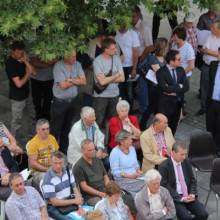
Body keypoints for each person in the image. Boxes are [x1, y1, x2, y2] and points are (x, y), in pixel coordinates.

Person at [159, 143, 209, 220]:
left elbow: (192, 180)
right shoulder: (164, 166)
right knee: (186, 217)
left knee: (204, 214)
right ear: (173, 153)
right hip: (175, 198)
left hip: (188, 195)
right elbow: (164, 186)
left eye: (185, 154)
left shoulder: (186, 162)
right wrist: (180, 198)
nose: (184, 157)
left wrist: (192, 193)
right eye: (181, 154)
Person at [50, 49, 86, 154]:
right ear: (65, 57)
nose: (75, 58)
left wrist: (70, 80)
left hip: (72, 101)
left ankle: (64, 150)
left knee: (67, 127)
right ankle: (53, 151)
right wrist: (76, 80)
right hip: (60, 102)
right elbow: (63, 86)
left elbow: (84, 81)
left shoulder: (77, 64)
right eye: (73, 57)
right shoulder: (58, 66)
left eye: (75, 56)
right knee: (56, 128)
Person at [5, 41, 35, 139]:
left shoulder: (23, 59)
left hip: (27, 94)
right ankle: (15, 139)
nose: (20, 55)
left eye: (22, 52)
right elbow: (19, 84)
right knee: (17, 120)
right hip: (17, 97)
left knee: (31, 115)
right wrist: (27, 73)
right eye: (18, 52)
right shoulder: (10, 64)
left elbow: (34, 72)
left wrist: (26, 61)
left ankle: (31, 135)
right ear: (12, 52)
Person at [92, 38, 125, 129]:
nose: (116, 50)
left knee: (113, 122)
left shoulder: (117, 58)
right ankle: (96, 142)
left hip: (114, 94)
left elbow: (122, 78)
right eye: (113, 48)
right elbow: (102, 82)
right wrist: (115, 76)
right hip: (101, 97)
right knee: (98, 121)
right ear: (106, 50)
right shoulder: (97, 61)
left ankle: (110, 142)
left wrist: (107, 79)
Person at [42, 151, 84, 220]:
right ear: (51, 162)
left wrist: (79, 206)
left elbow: (75, 189)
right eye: (55, 163)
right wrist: (74, 201)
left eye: (60, 163)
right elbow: (54, 202)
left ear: (64, 162)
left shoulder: (68, 171)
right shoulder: (48, 178)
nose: (58, 166)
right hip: (55, 208)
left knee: (87, 215)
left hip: (69, 202)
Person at [156, 50, 189, 134]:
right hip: (165, 106)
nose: (180, 61)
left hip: (178, 105)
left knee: (173, 127)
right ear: (171, 61)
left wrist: (172, 89)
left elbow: (186, 87)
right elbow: (164, 88)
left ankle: (170, 143)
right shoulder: (160, 72)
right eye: (178, 59)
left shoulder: (181, 70)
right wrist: (179, 86)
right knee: (162, 128)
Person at [139, 38, 168, 130]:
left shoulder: (163, 58)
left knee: (157, 107)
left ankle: (156, 124)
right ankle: (143, 124)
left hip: (160, 86)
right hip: (154, 87)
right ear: (163, 47)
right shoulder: (152, 58)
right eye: (167, 46)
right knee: (152, 106)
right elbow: (160, 73)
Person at [73, 139, 110, 206]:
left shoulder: (98, 160)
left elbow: (105, 176)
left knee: (118, 197)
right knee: (103, 204)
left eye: (93, 149)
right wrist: (100, 194)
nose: (93, 152)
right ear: (82, 151)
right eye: (90, 150)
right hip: (91, 196)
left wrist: (108, 189)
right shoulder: (78, 166)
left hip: (104, 190)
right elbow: (84, 187)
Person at [109, 130, 145, 197]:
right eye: (129, 139)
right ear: (122, 142)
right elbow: (115, 172)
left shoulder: (132, 149)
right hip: (122, 180)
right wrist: (130, 176)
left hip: (135, 177)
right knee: (146, 184)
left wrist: (138, 172)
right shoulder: (115, 153)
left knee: (152, 179)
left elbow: (135, 164)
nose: (132, 141)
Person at [196, 19, 220, 116]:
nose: (211, 28)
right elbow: (203, 50)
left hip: (217, 68)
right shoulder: (210, 35)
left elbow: (206, 50)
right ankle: (203, 107)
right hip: (206, 65)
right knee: (204, 86)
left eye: (213, 28)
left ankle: (213, 108)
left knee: (215, 87)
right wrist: (216, 53)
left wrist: (209, 51)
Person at [27, 119, 59, 188]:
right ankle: (51, 197)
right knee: (47, 178)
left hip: (52, 167)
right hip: (38, 172)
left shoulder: (52, 138)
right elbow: (33, 164)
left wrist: (57, 165)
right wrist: (47, 170)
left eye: (47, 129)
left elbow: (57, 154)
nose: (46, 131)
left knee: (68, 171)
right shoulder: (33, 143)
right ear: (37, 130)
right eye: (43, 129)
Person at [115, 26, 140, 110]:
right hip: (117, 67)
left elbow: (136, 52)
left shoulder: (133, 34)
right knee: (119, 90)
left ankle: (129, 111)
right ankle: (120, 110)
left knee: (129, 91)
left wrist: (134, 68)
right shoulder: (114, 32)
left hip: (129, 67)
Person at [206, 60, 220, 153]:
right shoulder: (213, 64)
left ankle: (217, 148)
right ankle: (209, 145)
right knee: (210, 125)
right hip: (211, 101)